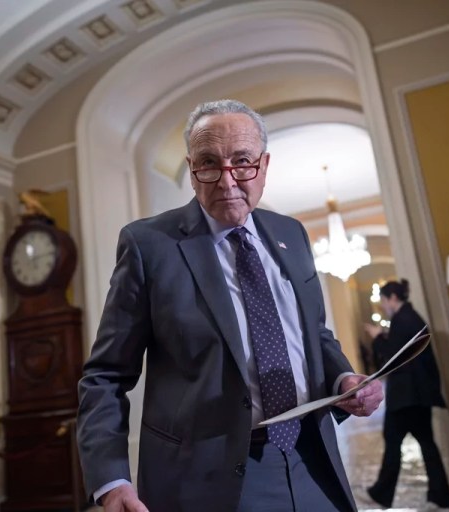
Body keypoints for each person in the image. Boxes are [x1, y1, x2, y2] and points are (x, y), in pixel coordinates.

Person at [76, 99, 384, 512]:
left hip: (314, 460)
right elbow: (106, 375)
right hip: (207, 478)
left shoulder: (291, 233)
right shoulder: (149, 246)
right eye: (208, 163)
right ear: (192, 170)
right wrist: (111, 480)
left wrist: (344, 378)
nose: (226, 181)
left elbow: (313, 333)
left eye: (242, 162)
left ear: (264, 165)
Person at [364, 279, 449, 511]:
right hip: (416, 394)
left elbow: (393, 358)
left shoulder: (402, 319)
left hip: (406, 396)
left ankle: (382, 494)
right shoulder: (410, 317)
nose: (384, 306)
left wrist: (377, 337)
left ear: (393, 298)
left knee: (395, 443)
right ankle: (439, 497)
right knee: (425, 444)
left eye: (384, 301)